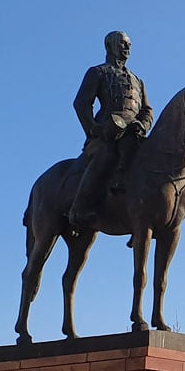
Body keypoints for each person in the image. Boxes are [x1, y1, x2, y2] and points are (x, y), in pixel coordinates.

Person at [67, 30, 154, 230]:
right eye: (123, 44)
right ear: (110, 46)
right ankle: (80, 206)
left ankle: (147, 213)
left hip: (134, 132)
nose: (127, 48)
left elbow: (147, 109)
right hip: (108, 131)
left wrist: (143, 124)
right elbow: (81, 103)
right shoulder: (98, 72)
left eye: (129, 45)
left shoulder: (137, 80)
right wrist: (94, 129)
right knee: (106, 156)